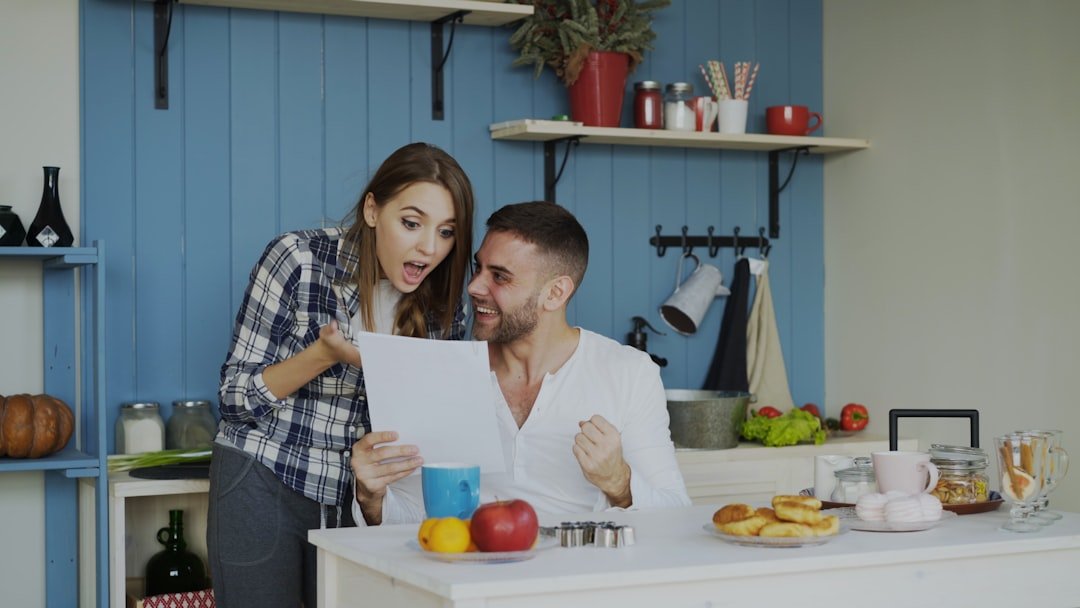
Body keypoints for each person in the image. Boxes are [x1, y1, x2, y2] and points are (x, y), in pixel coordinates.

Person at [208, 142, 475, 608]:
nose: (429, 248)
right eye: (411, 223)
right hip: (267, 479)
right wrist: (322, 355)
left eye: (446, 231)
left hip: (364, 502)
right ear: (372, 210)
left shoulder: (445, 297)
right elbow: (234, 400)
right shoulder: (298, 259)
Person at [351, 201, 690, 525]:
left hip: (580, 575)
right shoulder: (443, 373)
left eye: (500, 277)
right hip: (468, 578)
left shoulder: (629, 372)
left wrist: (619, 482)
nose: (474, 286)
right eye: (478, 267)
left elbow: (676, 513)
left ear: (555, 293)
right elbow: (415, 518)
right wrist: (371, 497)